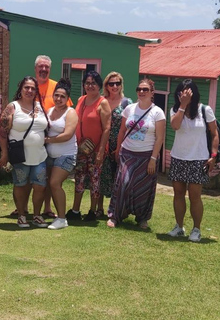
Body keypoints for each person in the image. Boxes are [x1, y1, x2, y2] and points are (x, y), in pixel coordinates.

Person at [107, 79, 166, 230]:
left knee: (144, 188)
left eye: (145, 89)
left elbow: (160, 138)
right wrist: (118, 149)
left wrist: (153, 159)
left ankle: (142, 218)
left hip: (146, 156)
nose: (141, 92)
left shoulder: (157, 112)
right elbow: (122, 131)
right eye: (139, 89)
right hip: (127, 153)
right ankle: (116, 215)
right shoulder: (130, 109)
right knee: (123, 184)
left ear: (152, 92)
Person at [167, 79, 219, 242]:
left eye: (188, 92)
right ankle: (179, 226)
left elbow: (214, 133)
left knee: (195, 195)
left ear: (194, 93)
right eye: (181, 92)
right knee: (178, 193)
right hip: (178, 157)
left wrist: (213, 156)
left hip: (198, 159)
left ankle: (196, 229)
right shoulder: (175, 110)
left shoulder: (205, 110)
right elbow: (175, 126)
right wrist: (183, 105)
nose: (184, 95)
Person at [0, 76, 50, 228]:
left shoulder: (40, 107)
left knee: (40, 186)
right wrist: (4, 154)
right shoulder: (13, 107)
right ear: (20, 89)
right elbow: (2, 132)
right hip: (20, 155)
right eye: (26, 87)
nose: (29, 90)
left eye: (33, 88)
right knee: (20, 184)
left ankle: (37, 215)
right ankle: (21, 215)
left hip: (39, 154)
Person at [66, 70, 111, 222]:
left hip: (96, 149)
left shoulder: (102, 102)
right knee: (79, 178)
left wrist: (100, 152)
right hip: (81, 148)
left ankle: (92, 211)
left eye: (94, 83)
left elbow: (106, 128)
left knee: (94, 180)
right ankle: (76, 210)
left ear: (99, 85)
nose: (90, 86)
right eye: (87, 83)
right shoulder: (81, 100)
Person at [33, 55, 72, 219]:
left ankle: (47, 207)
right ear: (35, 68)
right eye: (40, 67)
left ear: (50, 69)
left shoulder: (57, 88)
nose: (43, 70)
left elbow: (69, 111)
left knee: (49, 175)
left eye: (46, 67)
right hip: (32, 138)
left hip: (51, 140)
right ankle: (24, 207)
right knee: (30, 174)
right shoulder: (29, 86)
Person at [44, 79, 78, 230]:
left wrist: (48, 140)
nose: (58, 99)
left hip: (66, 155)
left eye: (62, 96)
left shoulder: (71, 112)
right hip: (50, 155)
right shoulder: (50, 111)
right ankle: (54, 214)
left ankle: (62, 218)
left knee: (54, 183)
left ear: (67, 98)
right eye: (56, 95)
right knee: (50, 185)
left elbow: (68, 135)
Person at [97, 71, 132, 217]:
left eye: (117, 83)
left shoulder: (127, 103)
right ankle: (98, 208)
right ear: (106, 86)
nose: (115, 86)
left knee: (120, 179)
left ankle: (116, 210)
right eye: (111, 84)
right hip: (103, 143)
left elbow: (130, 126)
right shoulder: (101, 101)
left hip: (120, 145)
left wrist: (120, 146)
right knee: (101, 177)